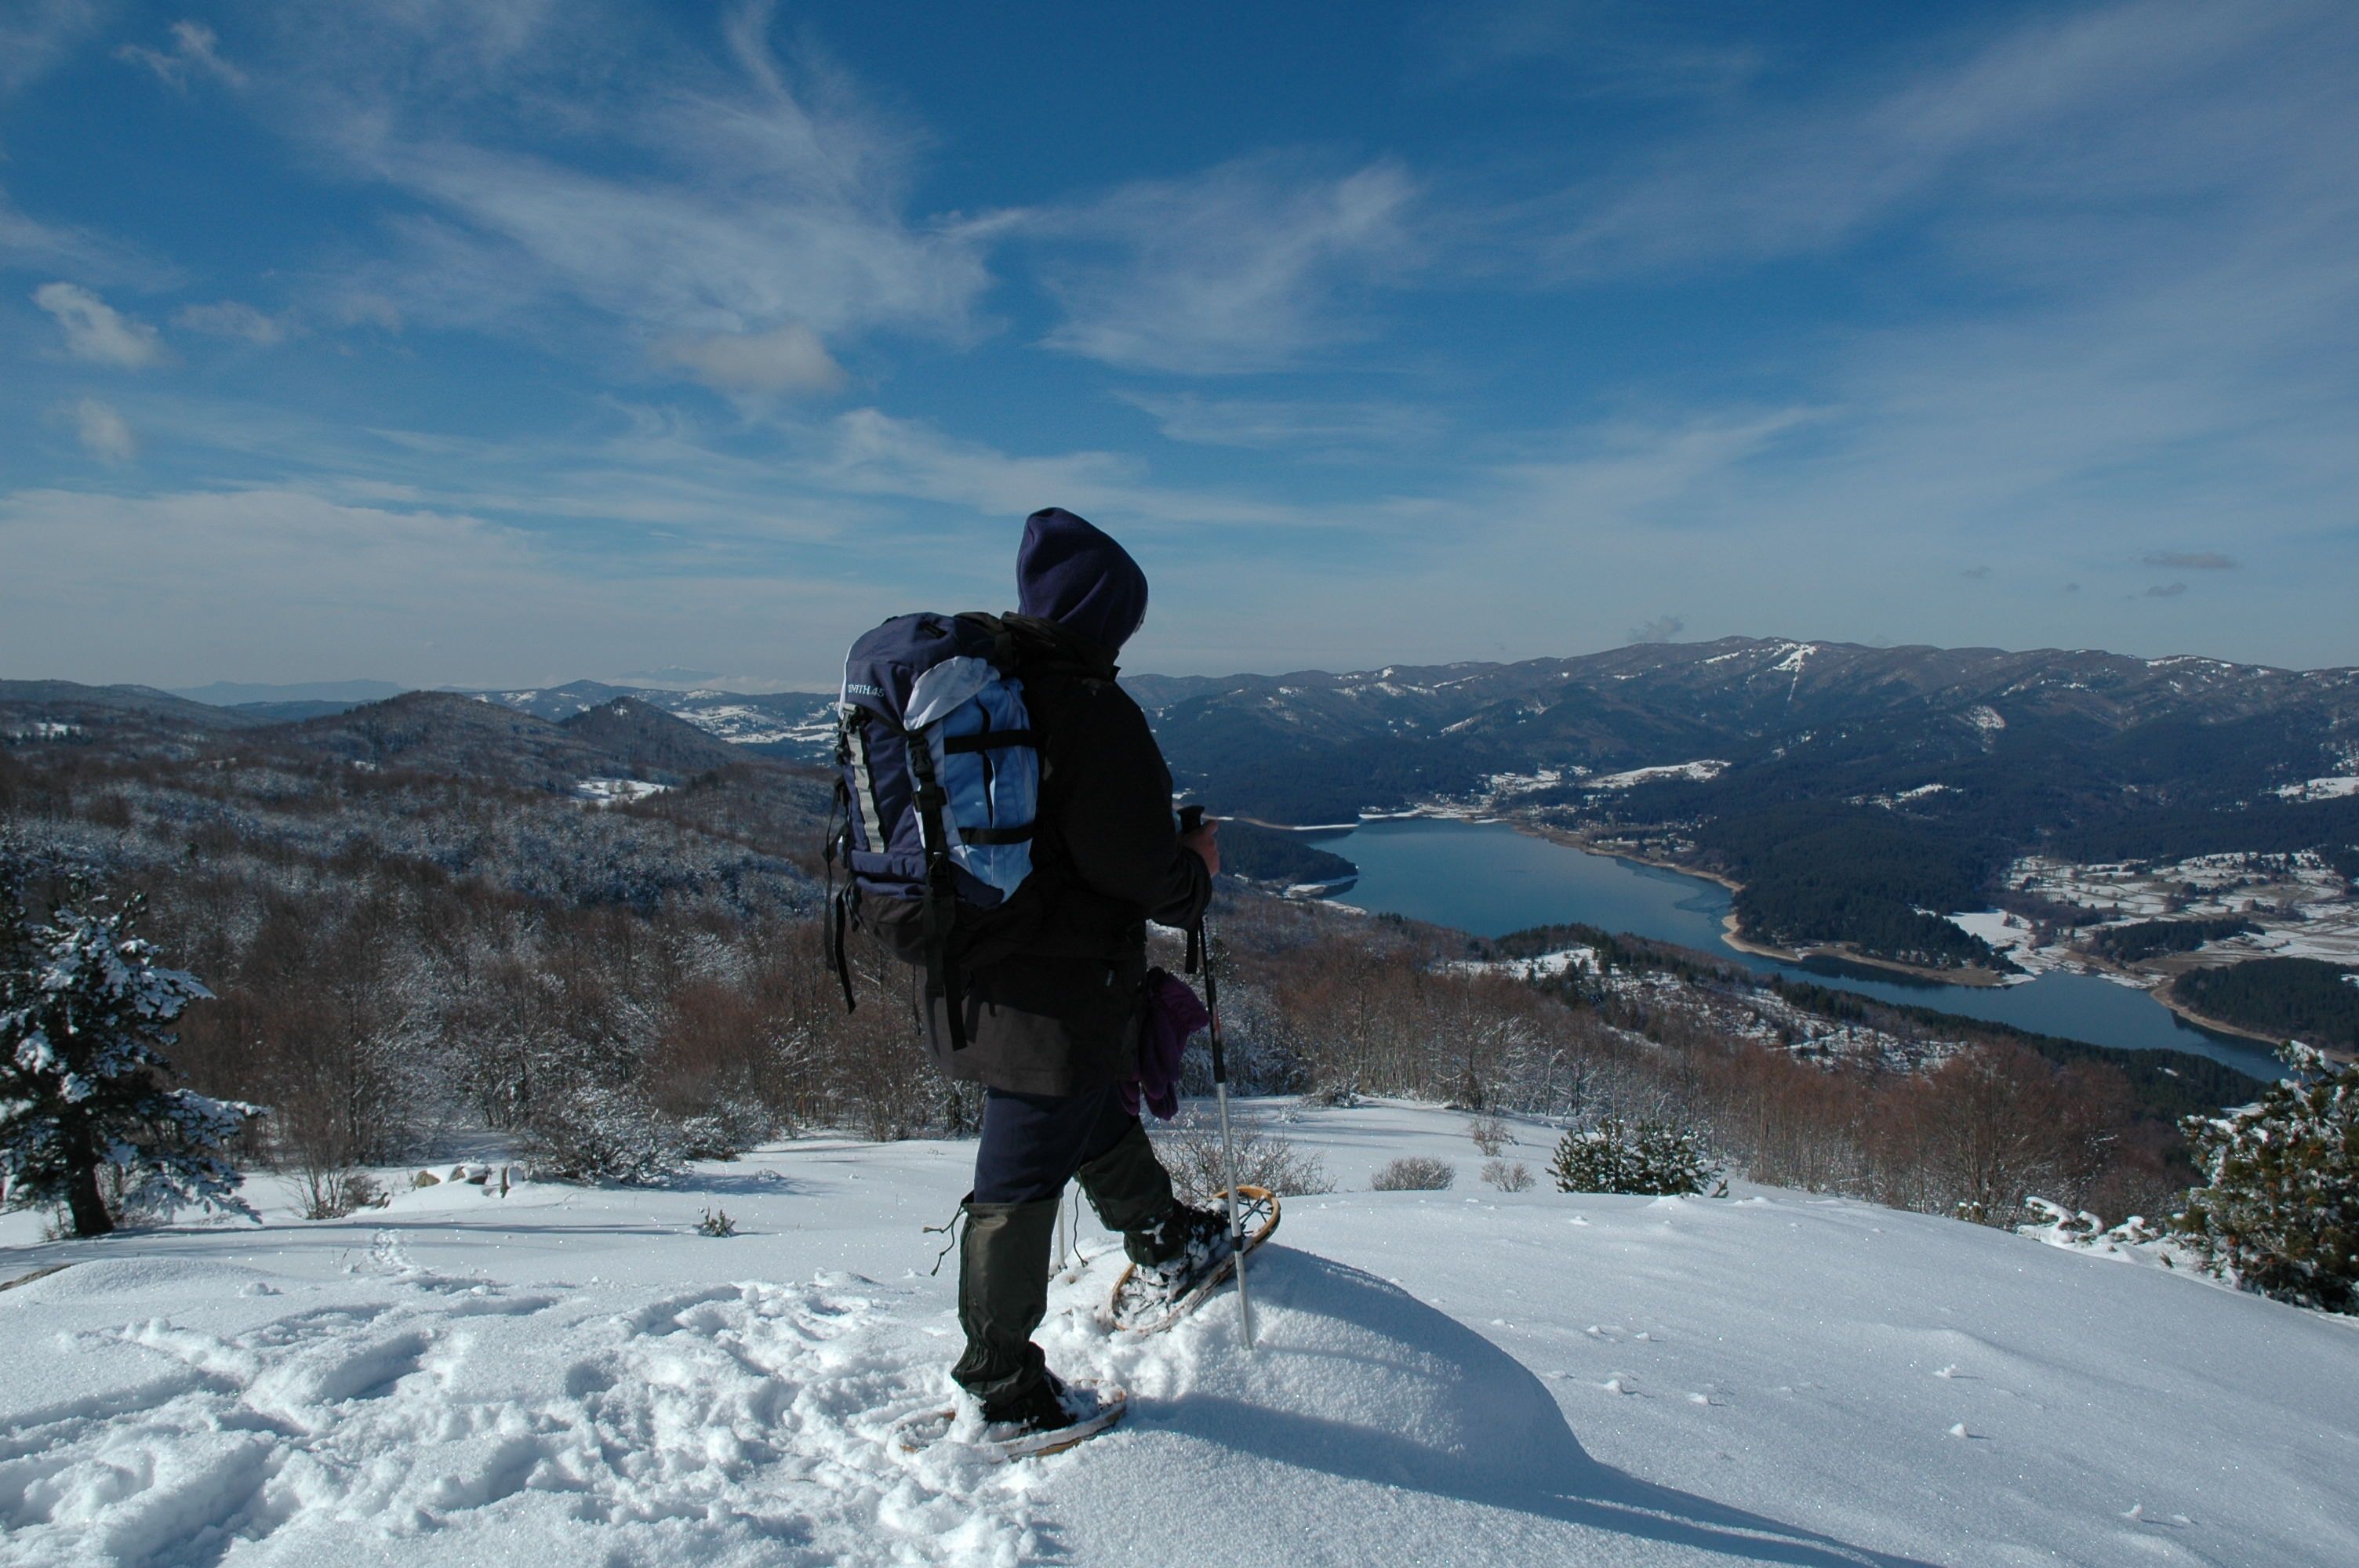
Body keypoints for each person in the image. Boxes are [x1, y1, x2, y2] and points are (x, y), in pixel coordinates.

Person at [929, 506, 1227, 1437]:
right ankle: (1000, 1382)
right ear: (1102, 613)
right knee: (1017, 1175)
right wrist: (1196, 870)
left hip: (980, 972)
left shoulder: (994, 692)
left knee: (1089, 1099)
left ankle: (1163, 1235)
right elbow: (1138, 870)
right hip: (1048, 985)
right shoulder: (1085, 706)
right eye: (1125, 618)